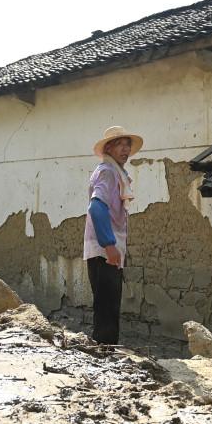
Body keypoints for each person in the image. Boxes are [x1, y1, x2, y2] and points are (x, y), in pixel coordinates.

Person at [84, 126, 143, 345]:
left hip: (107, 250)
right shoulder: (108, 172)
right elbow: (96, 207)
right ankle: (104, 354)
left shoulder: (113, 171)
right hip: (104, 251)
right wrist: (109, 245)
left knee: (108, 307)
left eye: (128, 145)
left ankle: (105, 352)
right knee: (107, 309)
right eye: (120, 145)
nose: (126, 149)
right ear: (108, 148)